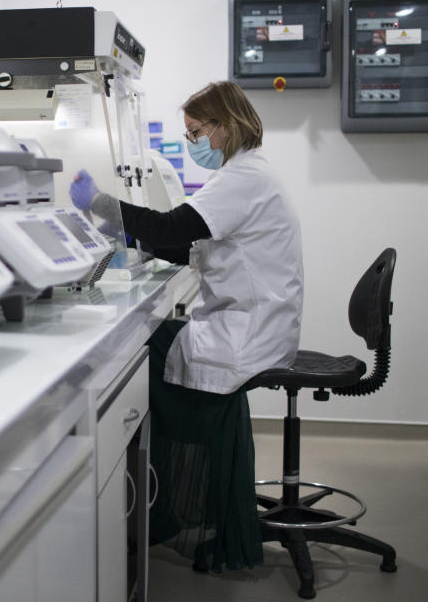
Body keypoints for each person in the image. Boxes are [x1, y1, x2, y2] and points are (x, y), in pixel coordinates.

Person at [70, 81, 303, 572]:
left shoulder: (243, 178)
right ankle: (169, 511)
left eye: (197, 132)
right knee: (154, 344)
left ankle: (161, 510)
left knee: (137, 351)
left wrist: (102, 205)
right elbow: (193, 242)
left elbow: (176, 228)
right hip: (253, 324)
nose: (195, 142)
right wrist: (130, 233)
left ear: (225, 126)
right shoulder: (247, 174)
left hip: (248, 333)